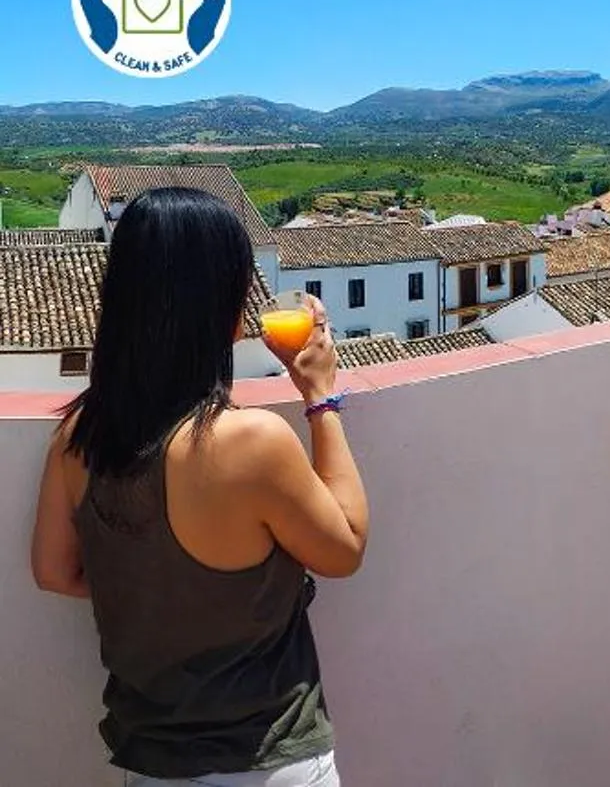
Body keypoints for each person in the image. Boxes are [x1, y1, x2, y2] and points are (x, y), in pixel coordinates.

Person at [26, 187, 369, 786]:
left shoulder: (80, 438)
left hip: (151, 763)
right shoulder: (251, 443)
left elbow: (55, 572)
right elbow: (344, 549)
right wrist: (320, 396)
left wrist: (162, 589)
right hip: (267, 760)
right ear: (222, 303)